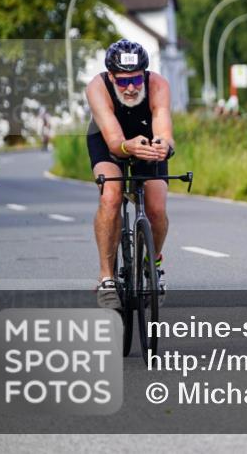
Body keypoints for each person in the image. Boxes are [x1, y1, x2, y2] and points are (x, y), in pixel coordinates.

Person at [86, 39, 175, 307]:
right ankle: (106, 278)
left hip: (146, 142)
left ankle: (153, 261)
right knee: (110, 196)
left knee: (156, 206)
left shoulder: (158, 84)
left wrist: (163, 147)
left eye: (136, 79)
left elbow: (165, 131)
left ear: (144, 74)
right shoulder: (97, 87)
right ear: (111, 76)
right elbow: (114, 142)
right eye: (123, 81)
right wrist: (127, 146)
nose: (131, 87)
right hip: (108, 141)